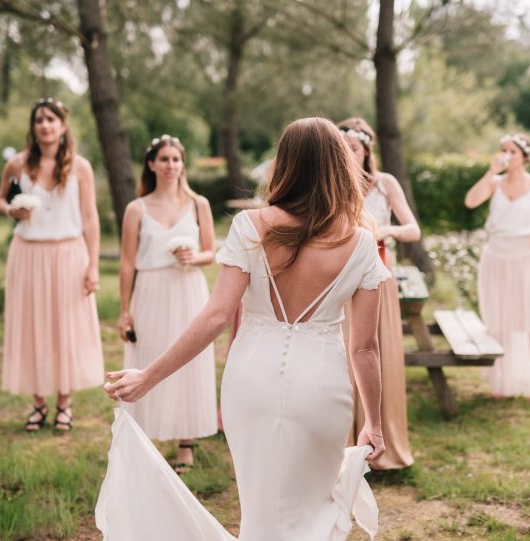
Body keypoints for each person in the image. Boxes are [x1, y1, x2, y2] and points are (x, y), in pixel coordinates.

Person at [99, 117, 390, 540]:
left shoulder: (250, 226)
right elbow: (365, 348)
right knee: (314, 505)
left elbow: (216, 316)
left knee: (260, 506)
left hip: (250, 381)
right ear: (338, 164)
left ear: (284, 163)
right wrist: (375, 424)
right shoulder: (362, 242)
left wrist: (148, 376)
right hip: (323, 387)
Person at [0, 97, 104, 431]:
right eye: (39, 119)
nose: (45, 125)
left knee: (65, 327)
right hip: (27, 253)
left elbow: (89, 217)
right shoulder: (17, 163)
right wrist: (11, 210)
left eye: (51, 119)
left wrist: (93, 264)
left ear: (62, 125)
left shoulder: (80, 167)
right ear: (33, 126)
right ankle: (38, 402)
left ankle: (65, 403)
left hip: (69, 253)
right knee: (32, 324)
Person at [116, 134, 218, 472]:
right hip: (150, 290)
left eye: (176, 159)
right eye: (164, 159)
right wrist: (124, 311)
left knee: (189, 360)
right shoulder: (137, 209)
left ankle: (185, 440)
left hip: (188, 289)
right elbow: (127, 261)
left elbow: (211, 251)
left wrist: (195, 256)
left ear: (182, 164)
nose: (171, 165)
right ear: (151, 164)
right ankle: (144, 439)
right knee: (150, 357)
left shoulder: (198, 203)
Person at [338, 117, 420, 470]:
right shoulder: (331, 184)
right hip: (340, 279)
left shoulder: (385, 184)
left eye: (353, 148)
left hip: (378, 276)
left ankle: (379, 441)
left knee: (374, 353)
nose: (348, 154)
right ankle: (340, 442)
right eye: (342, 148)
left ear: (366, 150)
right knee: (344, 356)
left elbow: (413, 229)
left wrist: (386, 229)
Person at [464, 133, 530, 402]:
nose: (506, 154)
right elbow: (471, 201)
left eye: (512, 151)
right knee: (499, 318)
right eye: (503, 150)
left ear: (525, 156)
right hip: (495, 255)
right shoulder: (494, 183)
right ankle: (502, 380)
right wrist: (491, 171)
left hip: (525, 257)